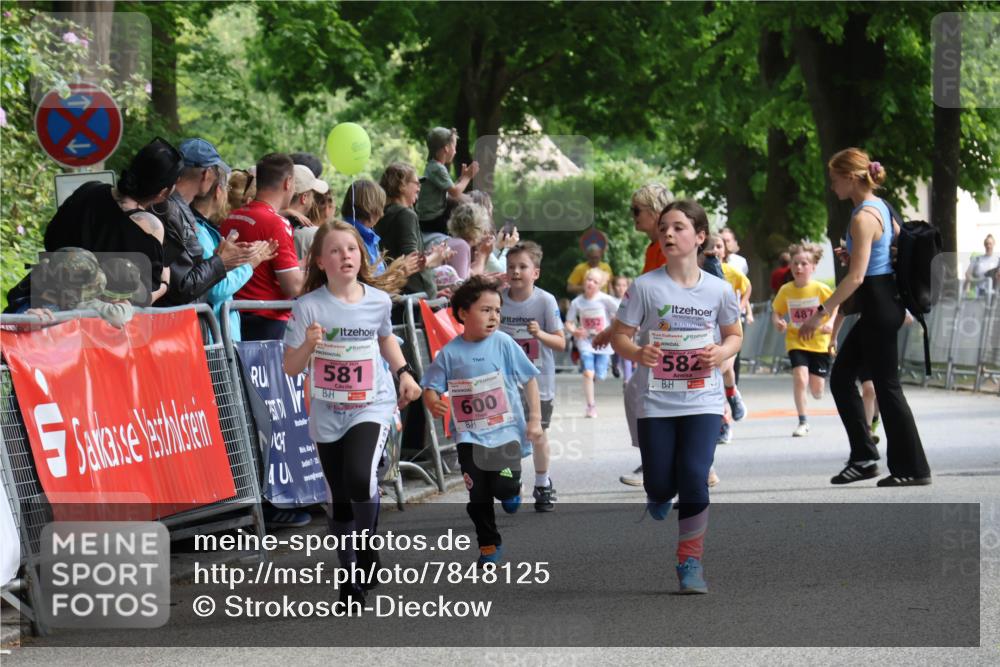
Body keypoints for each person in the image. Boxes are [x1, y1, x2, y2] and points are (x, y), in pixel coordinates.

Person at [283, 221, 421, 606]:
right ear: (319, 261)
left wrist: (404, 372)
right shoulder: (308, 307)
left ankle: (367, 548)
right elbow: (291, 369)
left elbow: (385, 337)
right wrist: (309, 345)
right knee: (339, 497)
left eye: (352, 249)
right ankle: (348, 580)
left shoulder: (377, 300)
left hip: (371, 403)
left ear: (361, 257)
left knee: (361, 478)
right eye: (335, 250)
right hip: (328, 410)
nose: (345, 255)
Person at [611, 199, 742, 595]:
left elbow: (735, 334)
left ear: (700, 237)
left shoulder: (720, 290)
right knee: (660, 482)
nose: (668, 233)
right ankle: (658, 493)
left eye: (679, 227)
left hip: (702, 398)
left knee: (694, 473)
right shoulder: (646, 287)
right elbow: (620, 336)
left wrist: (721, 352)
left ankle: (690, 561)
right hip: (656, 400)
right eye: (664, 227)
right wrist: (637, 352)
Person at [799, 148, 931, 487]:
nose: (832, 187)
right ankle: (865, 456)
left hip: (877, 303)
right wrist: (858, 252)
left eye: (834, 180)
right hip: (883, 302)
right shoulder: (881, 208)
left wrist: (820, 315)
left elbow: (855, 278)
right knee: (843, 377)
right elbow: (896, 248)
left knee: (887, 387)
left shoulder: (861, 217)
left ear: (850, 177)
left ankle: (912, 468)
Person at [421, 275, 543, 566]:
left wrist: (535, 419)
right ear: (464, 313)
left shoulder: (503, 343)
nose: (494, 317)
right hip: (469, 436)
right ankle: (489, 544)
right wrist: (432, 400)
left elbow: (530, 380)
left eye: (497, 311)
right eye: (486, 310)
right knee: (478, 495)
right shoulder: (450, 353)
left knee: (502, 487)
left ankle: (512, 489)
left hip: (504, 433)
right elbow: (431, 386)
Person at [39, 137, 183, 305]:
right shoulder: (150, 226)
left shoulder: (88, 190)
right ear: (163, 192)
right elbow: (142, 296)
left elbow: (50, 240)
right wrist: (165, 283)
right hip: (101, 323)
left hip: (50, 307)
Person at [500, 241, 565, 512]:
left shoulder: (545, 301)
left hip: (539, 383)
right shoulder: (498, 299)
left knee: (537, 433)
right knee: (504, 435)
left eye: (522, 267)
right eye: (511, 266)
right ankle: (509, 481)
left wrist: (539, 334)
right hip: (503, 383)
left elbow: (560, 343)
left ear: (535, 273)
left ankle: (542, 483)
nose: (516, 272)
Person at [615, 184, 671, 487]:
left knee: (644, 395)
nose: (633, 216)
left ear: (653, 211)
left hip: (669, 336)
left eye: (637, 210)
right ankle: (694, 463)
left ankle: (655, 463)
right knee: (643, 394)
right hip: (657, 336)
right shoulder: (653, 248)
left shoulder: (668, 245)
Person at [158, 138, 254, 307]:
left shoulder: (170, 207)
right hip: (173, 323)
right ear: (207, 174)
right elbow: (182, 285)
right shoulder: (172, 212)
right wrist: (220, 262)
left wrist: (217, 260)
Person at [222, 153, 304, 341]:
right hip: (267, 325)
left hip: (232, 321)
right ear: (288, 182)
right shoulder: (277, 223)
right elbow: (292, 285)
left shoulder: (230, 217)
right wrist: (324, 274)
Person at [191, 165, 277, 341]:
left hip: (218, 335)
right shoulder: (199, 232)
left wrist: (237, 259)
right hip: (214, 340)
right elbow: (216, 288)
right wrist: (249, 263)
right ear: (218, 192)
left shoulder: (204, 229)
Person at [771, 242, 838, 437]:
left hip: (819, 344)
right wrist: (778, 322)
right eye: (795, 264)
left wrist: (831, 323)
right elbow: (776, 311)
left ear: (813, 267)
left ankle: (816, 387)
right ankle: (803, 421)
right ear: (790, 266)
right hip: (796, 341)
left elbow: (836, 306)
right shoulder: (786, 290)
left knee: (817, 391)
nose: (799, 268)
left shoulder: (820, 289)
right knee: (800, 378)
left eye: (804, 264)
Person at [376, 162, 451, 300]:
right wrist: (436, 256)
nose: (419, 187)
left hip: (397, 294)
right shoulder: (406, 214)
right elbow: (412, 262)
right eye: (416, 183)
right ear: (401, 185)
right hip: (414, 296)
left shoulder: (381, 214)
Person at [705, 233, 751, 444]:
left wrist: (740, 308)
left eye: (719, 246)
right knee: (722, 371)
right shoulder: (699, 272)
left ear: (725, 251)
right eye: (711, 246)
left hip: (730, 329)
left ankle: (728, 405)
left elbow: (747, 287)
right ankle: (729, 402)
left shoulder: (732, 272)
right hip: (709, 329)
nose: (715, 250)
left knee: (722, 368)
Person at [565, 267, 618, 418]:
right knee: (588, 373)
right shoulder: (577, 302)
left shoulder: (605, 299)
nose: (591, 283)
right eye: (589, 279)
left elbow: (622, 313)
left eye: (595, 281)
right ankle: (591, 406)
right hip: (585, 341)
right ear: (584, 281)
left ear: (600, 285)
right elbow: (568, 323)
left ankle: (595, 376)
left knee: (599, 375)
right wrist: (575, 331)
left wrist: (615, 323)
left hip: (602, 342)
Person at [414, 127, 479, 235]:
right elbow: (455, 192)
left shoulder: (434, 166)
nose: (455, 151)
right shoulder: (437, 168)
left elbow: (450, 189)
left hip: (432, 217)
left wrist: (461, 179)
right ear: (446, 148)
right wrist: (467, 177)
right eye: (454, 147)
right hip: (432, 219)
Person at [283, 164, 330, 264]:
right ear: (304, 198)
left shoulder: (268, 222)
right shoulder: (314, 235)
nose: (313, 200)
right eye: (312, 195)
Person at [445, 202, 491, 281]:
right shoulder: (461, 246)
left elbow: (470, 274)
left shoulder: (452, 242)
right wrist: (483, 255)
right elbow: (463, 285)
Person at [965, 234, 998, 298]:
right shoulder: (977, 259)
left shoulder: (998, 260)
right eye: (987, 244)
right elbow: (968, 274)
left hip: (994, 293)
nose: (988, 246)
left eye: (990, 244)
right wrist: (974, 281)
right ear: (984, 245)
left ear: (994, 244)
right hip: (979, 292)